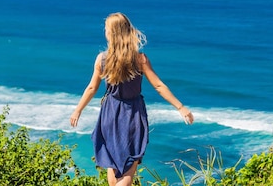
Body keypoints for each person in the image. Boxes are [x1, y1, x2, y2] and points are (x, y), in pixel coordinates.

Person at [69, 12, 194, 186]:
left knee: (113, 168)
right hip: (132, 115)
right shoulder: (140, 59)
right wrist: (180, 107)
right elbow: (158, 86)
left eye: (106, 29)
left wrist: (78, 110)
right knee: (128, 167)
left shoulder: (102, 59)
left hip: (109, 114)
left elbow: (91, 88)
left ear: (111, 33)